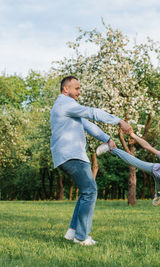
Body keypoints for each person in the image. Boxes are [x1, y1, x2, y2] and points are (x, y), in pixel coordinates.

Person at [50, 76, 131, 246]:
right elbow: (93, 113)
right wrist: (119, 121)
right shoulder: (66, 104)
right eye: (77, 88)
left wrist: (107, 139)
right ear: (66, 89)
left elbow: (88, 125)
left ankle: (72, 232)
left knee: (86, 191)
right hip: (71, 154)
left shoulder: (68, 107)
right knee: (90, 191)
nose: (79, 92)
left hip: (69, 155)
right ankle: (82, 237)